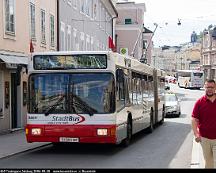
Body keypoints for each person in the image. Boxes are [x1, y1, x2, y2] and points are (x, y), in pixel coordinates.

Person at [191, 79, 216, 168]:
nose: (209, 89)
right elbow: (194, 119)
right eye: (207, 87)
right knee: (209, 163)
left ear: (215, 88)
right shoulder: (199, 102)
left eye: (211, 87)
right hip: (204, 138)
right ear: (204, 88)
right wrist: (196, 134)